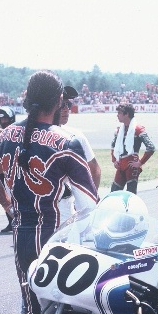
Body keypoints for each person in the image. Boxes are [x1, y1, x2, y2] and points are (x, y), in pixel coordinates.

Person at [0, 70, 98, 314]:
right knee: (57, 312)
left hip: (21, 236)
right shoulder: (66, 141)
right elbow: (89, 205)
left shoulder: (6, 135)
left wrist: (9, 207)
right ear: (59, 100)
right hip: (53, 238)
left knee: (31, 308)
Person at [54, 85, 101, 222]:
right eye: (62, 105)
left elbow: (95, 169)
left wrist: (87, 201)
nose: (66, 109)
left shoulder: (75, 137)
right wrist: (8, 206)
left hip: (66, 211)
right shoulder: (31, 135)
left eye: (68, 105)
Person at [110, 103, 155, 194]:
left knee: (131, 193)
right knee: (114, 192)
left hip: (131, 165)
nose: (117, 115)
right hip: (120, 164)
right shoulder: (119, 130)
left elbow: (151, 147)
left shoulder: (138, 129)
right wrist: (114, 160)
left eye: (119, 113)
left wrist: (140, 162)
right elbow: (113, 146)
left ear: (126, 114)